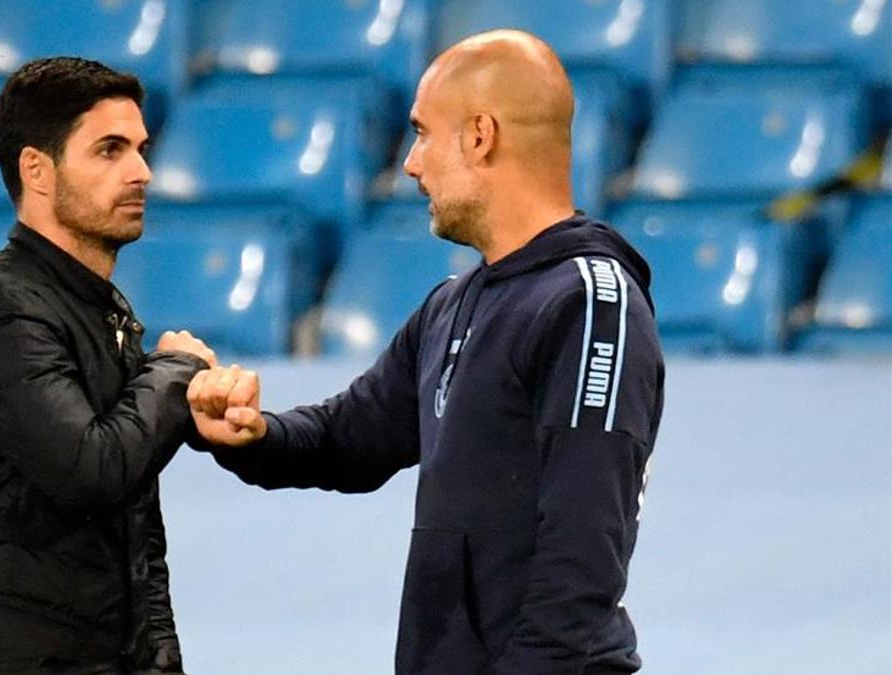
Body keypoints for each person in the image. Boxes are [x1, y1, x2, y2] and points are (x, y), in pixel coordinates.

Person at [188, 31, 665, 674]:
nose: (411, 163)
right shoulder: (453, 302)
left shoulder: (588, 303)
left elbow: (581, 553)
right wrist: (252, 435)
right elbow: (351, 436)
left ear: (479, 135)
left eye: (422, 133)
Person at [0, 57, 214, 673]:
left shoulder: (93, 309)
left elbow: (131, 525)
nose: (142, 172)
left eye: (140, 149)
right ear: (36, 170)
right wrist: (174, 373)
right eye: (109, 150)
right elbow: (91, 467)